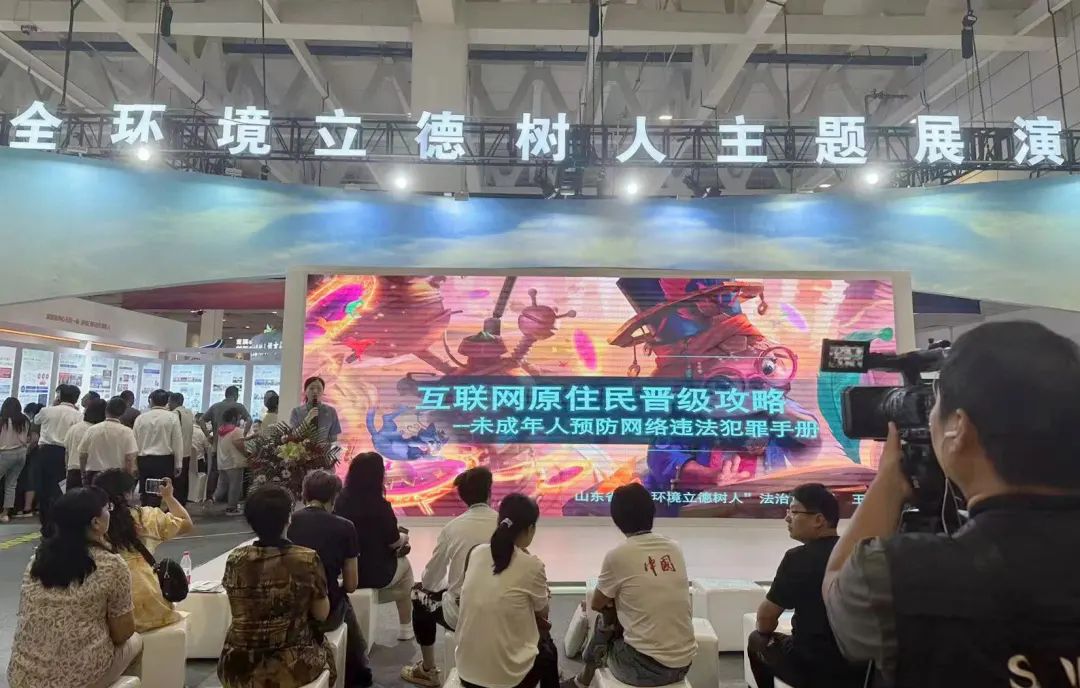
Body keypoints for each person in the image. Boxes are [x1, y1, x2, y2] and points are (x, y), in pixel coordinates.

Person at [823, 321, 1080, 688]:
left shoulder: (900, 576)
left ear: (958, 429)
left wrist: (887, 486)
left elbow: (837, 592)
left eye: (935, 405)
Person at [7, 487, 142, 688]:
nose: (110, 512)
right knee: (136, 642)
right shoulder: (112, 565)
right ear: (96, 523)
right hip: (77, 679)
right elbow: (123, 632)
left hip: (22, 677)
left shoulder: (36, 561)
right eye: (107, 508)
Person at [568, 484, 695, 688]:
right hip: (684, 664)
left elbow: (596, 603)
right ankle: (582, 679)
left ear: (617, 519)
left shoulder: (618, 555)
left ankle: (583, 679)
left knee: (606, 617)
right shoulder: (674, 548)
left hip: (641, 668)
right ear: (652, 511)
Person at [218, 484, 336, 688]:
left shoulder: (236, 559)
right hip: (289, 667)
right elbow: (321, 614)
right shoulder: (306, 559)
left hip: (236, 666)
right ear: (289, 518)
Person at [749, 484, 865, 688]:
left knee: (756, 640)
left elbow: (766, 619)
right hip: (859, 667)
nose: (787, 518)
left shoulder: (797, 558)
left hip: (811, 667)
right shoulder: (858, 554)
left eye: (794, 512)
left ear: (818, 520)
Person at [402, 467, 498, 687]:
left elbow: (430, 580)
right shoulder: (505, 525)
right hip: (503, 609)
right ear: (489, 491)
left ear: (463, 497)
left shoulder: (452, 528)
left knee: (418, 594)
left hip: (462, 613)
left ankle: (427, 670)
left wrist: (444, 586)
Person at [456, 493, 557, 688]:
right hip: (509, 679)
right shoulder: (532, 565)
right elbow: (543, 611)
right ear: (530, 529)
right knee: (548, 650)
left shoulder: (476, 552)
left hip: (466, 672)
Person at [288, 470, 373, 688]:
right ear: (334, 496)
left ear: (305, 493)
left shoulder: (290, 523)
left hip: (289, 607)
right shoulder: (345, 526)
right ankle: (360, 673)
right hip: (324, 611)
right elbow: (352, 584)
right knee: (343, 601)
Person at [94, 470, 194, 631]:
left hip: (112, 608)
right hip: (152, 602)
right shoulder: (147, 516)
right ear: (127, 493)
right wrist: (168, 497)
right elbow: (186, 524)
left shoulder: (93, 525)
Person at [334, 451, 415, 640]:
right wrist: (404, 537)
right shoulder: (381, 506)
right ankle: (406, 628)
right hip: (378, 573)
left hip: (345, 573)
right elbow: (394, 542)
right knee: (406, 569)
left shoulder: (339, 501)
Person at [33, 383, 84, 533]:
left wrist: (53, 404)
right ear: (76, 399)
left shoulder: (47, 411)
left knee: (44, 487)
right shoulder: (78, 415)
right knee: (61, 488)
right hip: (64, 453)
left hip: (45, 452)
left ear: (59, 396)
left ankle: (45, 523)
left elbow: (36, 420)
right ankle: (58, 523)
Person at [132, 389, 183, 508]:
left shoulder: (141, 418)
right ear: (167, 401)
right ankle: (155, 515)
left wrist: (134, 464)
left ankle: (146, 513)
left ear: (151, 401)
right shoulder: (172, 417)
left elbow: (134, 442)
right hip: (164, 461)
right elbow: (177, 441)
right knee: (160, 494)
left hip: (144, 460)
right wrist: (178, 463)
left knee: (145, 492)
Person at [204, 385, 252, 497]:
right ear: (235, 395)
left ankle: (211, 497)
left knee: (215, 474)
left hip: (217, 444)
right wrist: (244, 434)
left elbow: (201, 420)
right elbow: (249, 420)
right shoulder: (238, 406)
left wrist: (208, 435)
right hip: (233, 446)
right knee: (234, 479)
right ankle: (230, 500)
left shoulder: (215, 406)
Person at [79, 396, 139, 485]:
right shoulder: (127, 432)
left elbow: (82, 455)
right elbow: (129, 458)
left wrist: (83, 475)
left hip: (94, 475)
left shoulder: (92, 430)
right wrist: (129, 478)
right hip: (117, 477)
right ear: (122, 413)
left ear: (106, 410)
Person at [0, 397, 31, 523]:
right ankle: (5, 514)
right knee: (11, 484)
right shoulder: (25, 420)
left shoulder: (3, 421)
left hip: (5, 453)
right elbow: (28, 437)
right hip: (21, 453)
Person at [64, 398, 107, 489]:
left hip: (72, 471)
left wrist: (67, 471)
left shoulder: (74, 428)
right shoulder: (100, 431)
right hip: (92, 473)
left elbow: (67, 452)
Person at [214, 407, 249, 515]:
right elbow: (239, 444)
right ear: (234, 418)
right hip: (234, 462)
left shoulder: (221, 430)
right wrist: (247, 454)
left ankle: (213, 499)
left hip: (223, 461)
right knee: (235, 486)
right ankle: (232, 507)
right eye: (239, 417)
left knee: (222, 485)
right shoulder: (236, 430)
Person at [290, 376, 342, 443]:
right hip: (301, 449)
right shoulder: (296, 411)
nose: (315, 391)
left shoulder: (331, 411)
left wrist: (326, 447)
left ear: (323, 391)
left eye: (319, 388)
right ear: (305, 391)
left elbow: (333, 438)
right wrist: (308, 419)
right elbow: (293, 436)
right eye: (311, 388)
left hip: (324, 449)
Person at [15, 402, 43, 518]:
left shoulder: (35, 424)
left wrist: (26, 451)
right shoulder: (43, 424)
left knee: (29, 480)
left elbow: (34, 440)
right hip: (41, 455)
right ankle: (34, 507)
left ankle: (26, 508)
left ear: (32, 413)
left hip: (33, 455)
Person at [167, 392, 195, 505]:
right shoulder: (189, 413)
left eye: (169, 402)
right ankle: (182, 503)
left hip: (177, 452)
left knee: (176, 481)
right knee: (184, 480)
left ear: (174, 402)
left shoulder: (175, 414)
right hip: (187, 451)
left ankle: (175, 505)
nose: (168, 404)